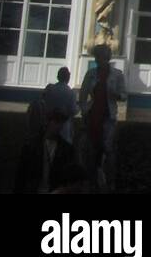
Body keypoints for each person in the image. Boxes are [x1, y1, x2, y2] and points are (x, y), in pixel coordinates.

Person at [77, 43, 126, 192]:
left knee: (108, 148)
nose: (100, 60)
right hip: (93, 116)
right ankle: (92, 180)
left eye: (103, 57)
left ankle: (110, 182)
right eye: (98, 57)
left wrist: (116, 95)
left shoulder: (117, 75)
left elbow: (123, 95)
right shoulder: (91, 74)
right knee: (92, 149)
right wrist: (85, 111)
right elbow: (83, 95)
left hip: (108, 116)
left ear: (108, 58)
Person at [14, 110, 77, 194]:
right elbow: (21, 174)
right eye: (56, 122)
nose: (59, 126)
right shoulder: (31, 146)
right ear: (48, 122)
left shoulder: (32, 145)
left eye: (61, 123)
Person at [42, 67, 78, 146]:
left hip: (50, 122)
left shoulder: (50, 89)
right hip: (64, 126)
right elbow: (73, 110)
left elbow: (45, 103)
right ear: (68, 78)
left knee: (49, 150)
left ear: (58, 76)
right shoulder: (71, 93)